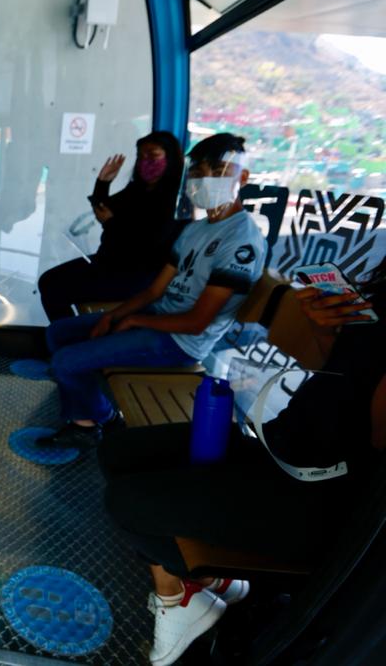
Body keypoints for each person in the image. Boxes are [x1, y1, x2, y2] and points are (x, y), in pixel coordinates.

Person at [100, 262, 386, 666]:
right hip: (285, 446)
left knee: (125, 503)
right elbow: (343, 371)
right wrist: (326, 330)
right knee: (117, 453)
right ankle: (214, 582)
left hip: (323, 495)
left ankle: (180, 598)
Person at [42, 133, 266, 448]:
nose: (207, 180)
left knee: (66, 361)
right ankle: (90, 410)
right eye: (200, 172)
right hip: (159, 314)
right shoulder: (196, 229)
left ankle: (99, 421)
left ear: (242, 177)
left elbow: (198, 322)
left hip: (182, 342)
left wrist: (133, 322)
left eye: (219, 172)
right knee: (58, 334)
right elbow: (154, 290)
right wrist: (114, 317)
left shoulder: (241, 241)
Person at [37, 131, 185, 324]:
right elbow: (105, 209)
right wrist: (103, 183)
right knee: (48, 281)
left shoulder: (175, 200)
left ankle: (71, 338)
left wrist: (111, 223)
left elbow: (147, 243)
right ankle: (69, 336)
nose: (145, 161)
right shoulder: (138, 189)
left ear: (170, 158)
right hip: (110, 263)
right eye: (141, 157)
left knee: (54, 287)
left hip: (136, 274)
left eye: (153, 155)